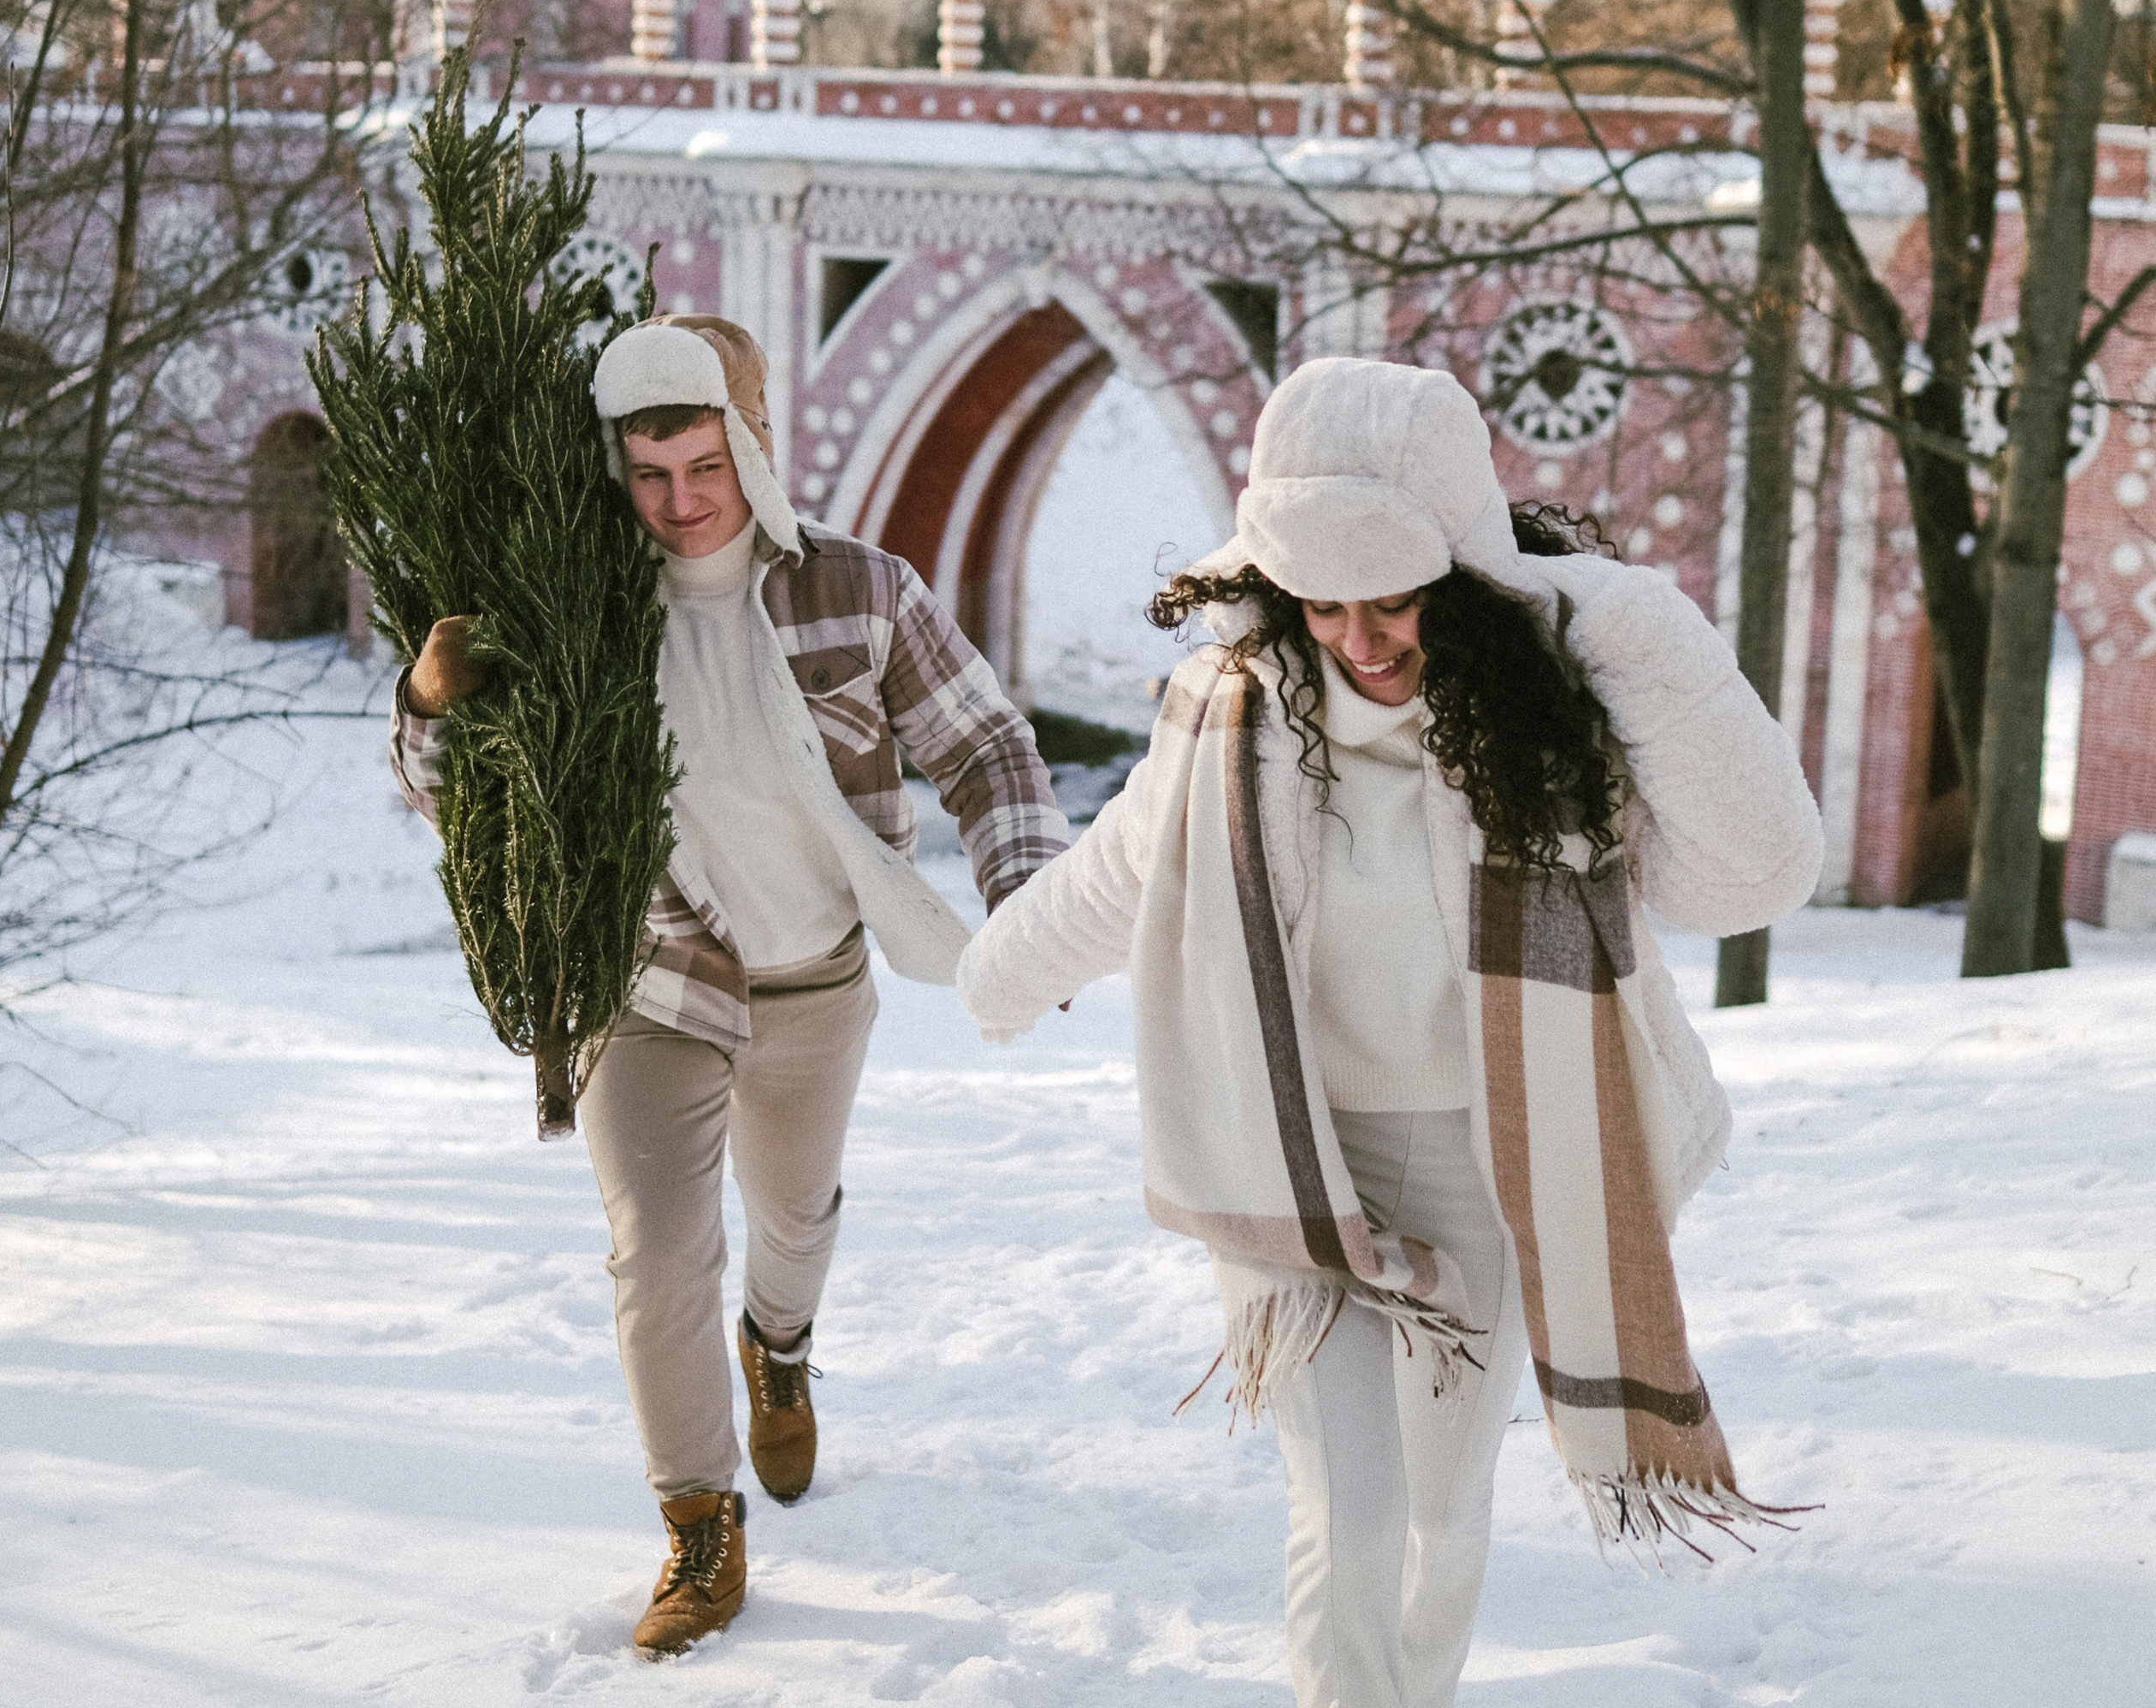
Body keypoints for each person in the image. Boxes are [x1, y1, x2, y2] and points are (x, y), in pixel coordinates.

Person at [954, 356, 1822, 1708]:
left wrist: (1634, 631)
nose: (1359, 639)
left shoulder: (1551, 723)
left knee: (1439, 1513)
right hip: (1292, 1161)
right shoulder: (1231, 712)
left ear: (1464, 578)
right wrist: (997, 977)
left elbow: (1755, 874)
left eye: (1396, 598)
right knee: (1352, 1512)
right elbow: (1127, 864)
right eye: (1324, 601)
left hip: (1492, 1162)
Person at [388, 313, 1068, 1656]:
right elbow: (450, 801)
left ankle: (782, 1344)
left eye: (705, 467)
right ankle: (700, 1526)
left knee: (793, 1215)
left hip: (815, 974)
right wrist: (429, 698)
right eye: (649, 475)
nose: (680, 502)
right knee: (656, 1249)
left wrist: (1031, 903)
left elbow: (986, 747)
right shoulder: (576, 610)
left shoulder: (860, 591)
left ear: (750, 447)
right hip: (650, 978)